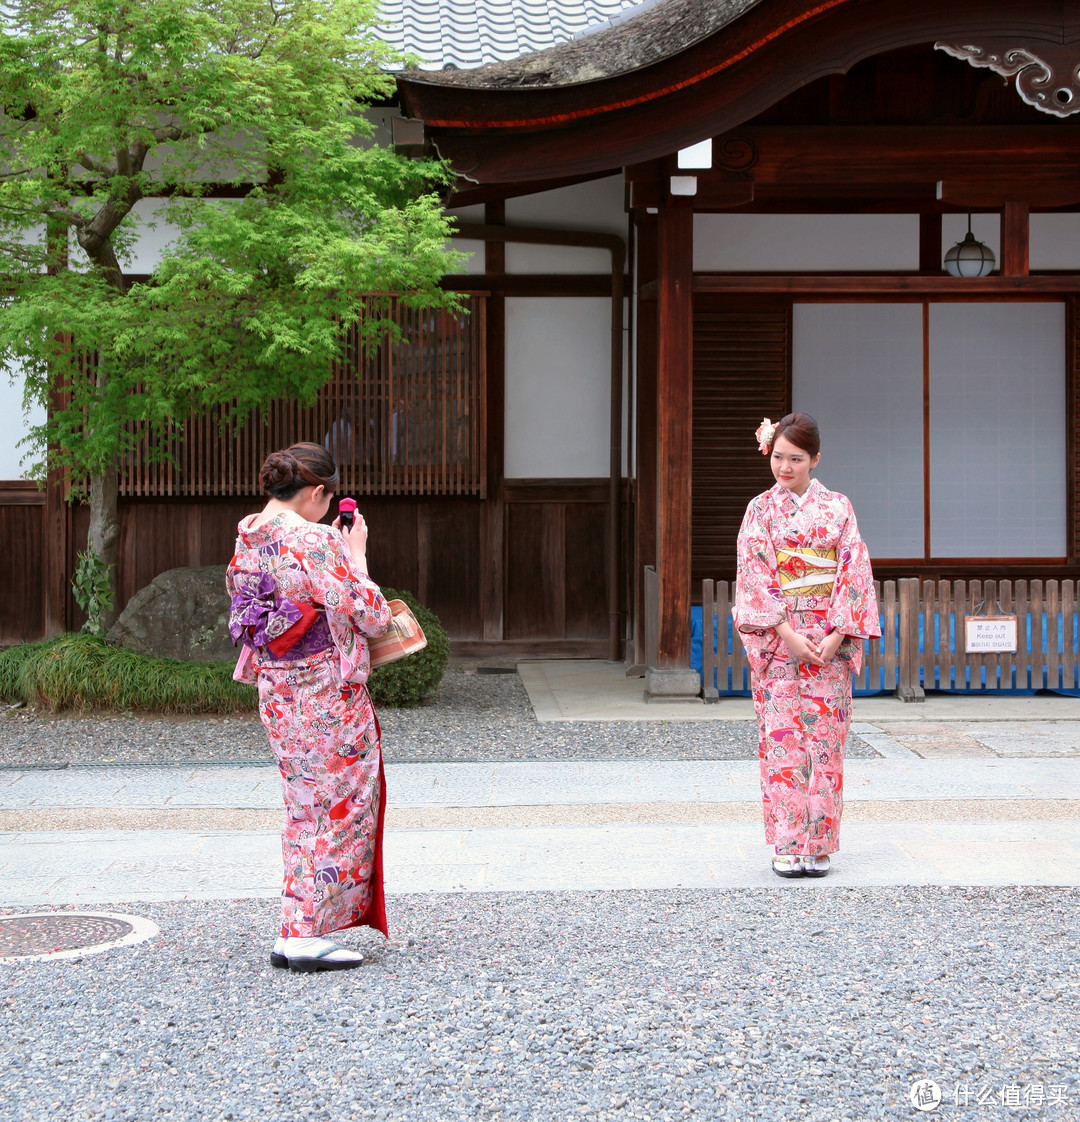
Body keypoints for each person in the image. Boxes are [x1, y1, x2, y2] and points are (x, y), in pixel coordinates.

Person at [226, 441, 391, 971]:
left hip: (277, 689)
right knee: (341, 806)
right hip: (323, 692)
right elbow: (371, 614)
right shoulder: (313, 538)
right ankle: (307, 934)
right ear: (317, 492)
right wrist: (357, 559)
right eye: (330, 494)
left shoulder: (249, 533)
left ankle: (293, 927)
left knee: (303, 808)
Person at [733, 413, 880, 879]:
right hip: (780, 641)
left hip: (830, 639)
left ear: (816, 459)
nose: (785, 467)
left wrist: (839, 634)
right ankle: (787, 842)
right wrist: (788, 635)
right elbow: (755, 574)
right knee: (783, 743)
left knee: (826, 742)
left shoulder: (838, 507)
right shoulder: (759, 510)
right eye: (778, 456)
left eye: (796, 458)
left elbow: (854, 571)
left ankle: (819, 844)